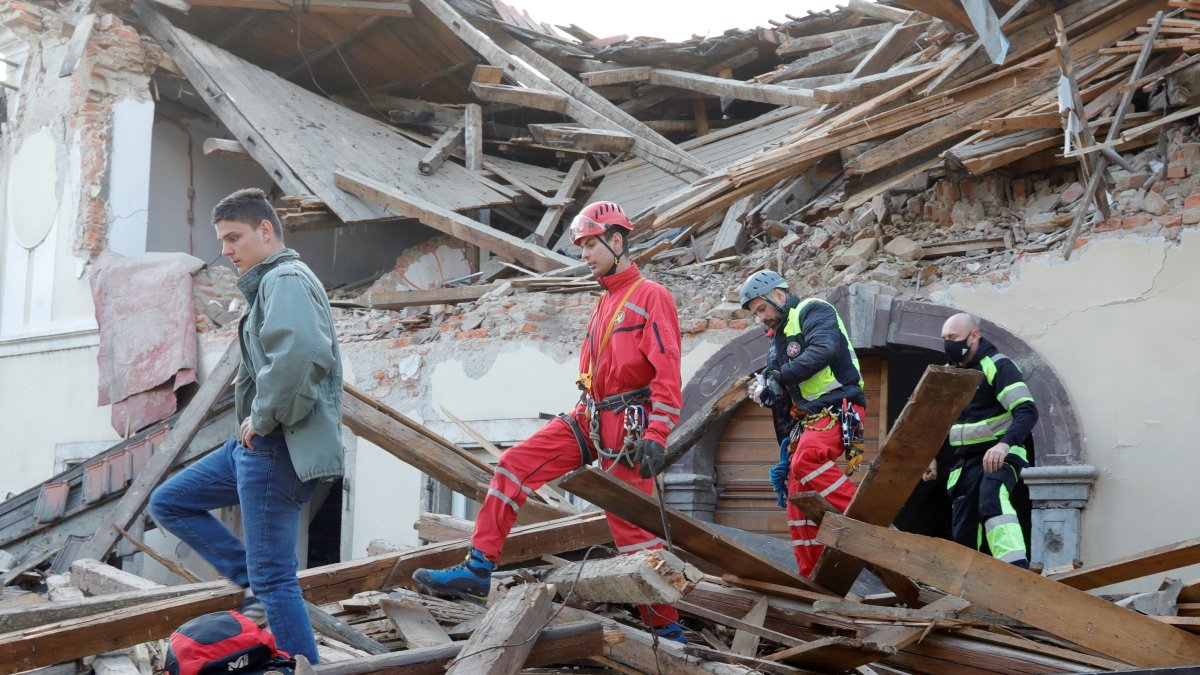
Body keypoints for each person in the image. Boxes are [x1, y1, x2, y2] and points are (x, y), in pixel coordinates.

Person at [413, 201, 688, 642]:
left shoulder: (652, 296)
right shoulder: (604, 301)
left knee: (630, 530)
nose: (583, 254)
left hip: (629, 427)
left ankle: (669, 634)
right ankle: (477, 569)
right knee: (514, 464)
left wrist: (657, 433)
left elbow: (668, 372)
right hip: (591, 416)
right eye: (580, 247)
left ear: (617, 242)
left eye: (590, 245)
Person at [149, 188, 343, 664]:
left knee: (276, 579)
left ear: (265, 230)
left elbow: (300, 355)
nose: (226, 250)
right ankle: (247, 578)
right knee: (168, 501)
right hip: (254, 448)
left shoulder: (287, 279)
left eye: (234, 237)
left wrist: (263, 416)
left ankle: (303, 667)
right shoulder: (270, 284)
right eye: (221, 240)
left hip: (276, 446)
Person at [739, 271, 866, 577]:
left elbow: (824, 350)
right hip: (811, 418)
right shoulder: (777, 338)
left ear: (778, 296)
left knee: (807, 460)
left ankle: (864, 522)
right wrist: (767, 393)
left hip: (840, 406)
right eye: (756, 313)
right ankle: (811, 573)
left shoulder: (814, 310)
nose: (760, 319)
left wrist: (778, 379)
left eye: (761, 309)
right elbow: (779, 384)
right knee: (796, 491)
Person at [925, 312, 1037, 569]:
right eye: (944, 338)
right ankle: (969, 582)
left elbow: (1027, 411)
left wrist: (1004, 444)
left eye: (953, 337)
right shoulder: (953, 374)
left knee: (992, 499)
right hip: (966, 463)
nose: (947, 344)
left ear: (973, 335)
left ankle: (1015, 571)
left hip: (999, 453)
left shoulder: (998, 365)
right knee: (963, 524)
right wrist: (931, 456)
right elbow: (942, 421)